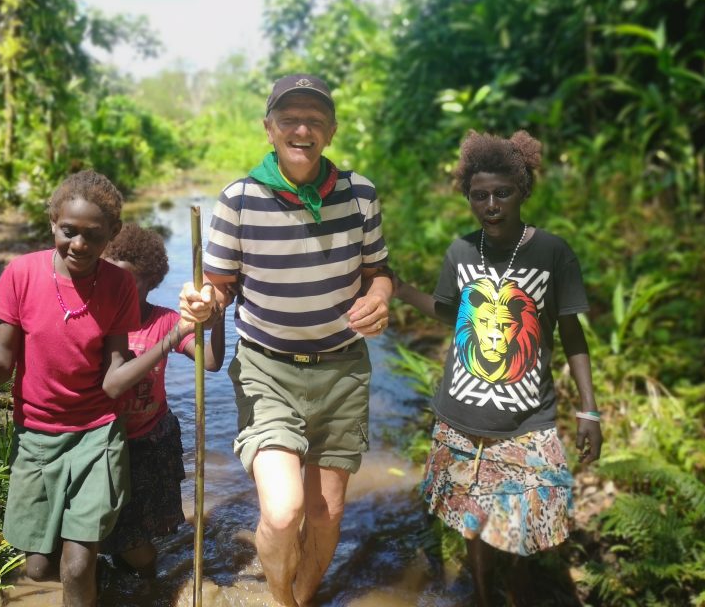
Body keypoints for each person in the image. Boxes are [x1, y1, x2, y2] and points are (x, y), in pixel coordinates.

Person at [0, 170, 170, 607]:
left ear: (112, 234)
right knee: (38, 568)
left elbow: (115, 376)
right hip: (37, 435)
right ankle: (103, 583)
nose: (79, 245)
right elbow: (0, 368)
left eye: (93, 236)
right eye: (68, 232)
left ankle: (90, 576)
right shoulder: (22, 274)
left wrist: (172, 338)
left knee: (76, 565)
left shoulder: (118, 286)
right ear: (53, 225)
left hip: (97, 434)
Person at [179, 73, 393, 607]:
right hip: (267, 369)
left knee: (326, 513)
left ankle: (303, 592)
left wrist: (381, 298)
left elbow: (379, 270)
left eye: (315, 120)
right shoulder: (239, 199)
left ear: (332, 130)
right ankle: (282, 600)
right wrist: (205, 303)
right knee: (282, 510)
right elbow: (221, 287)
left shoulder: (359, 193)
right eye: (290, 119)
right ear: (269, 128)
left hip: (342, 368)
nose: (303, 129)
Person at [391, 129, 602, 607]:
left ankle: (520, 593)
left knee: (522, 532)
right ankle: (485, 597)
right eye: (479, 195)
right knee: (473, 522)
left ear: (522, 191)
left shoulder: (552, 252)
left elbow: (572, 334)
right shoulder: (460, 252)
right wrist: (402, 290)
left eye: (502, 193)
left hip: (526, 421)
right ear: (468, 196)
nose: (491, 205)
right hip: (461, 418)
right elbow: (451, 312)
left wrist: (589, 410)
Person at [99, 223, 227, 576]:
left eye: (130, 282)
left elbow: (212, 363)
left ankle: (148, 585)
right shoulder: (95, 321)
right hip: (104, 441)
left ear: (151, 282)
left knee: (138, 536)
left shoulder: (164, 321)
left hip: (149, 440)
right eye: (111, 278)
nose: (118, 289)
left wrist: (216, 317)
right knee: (104, 527)